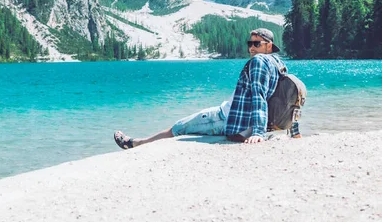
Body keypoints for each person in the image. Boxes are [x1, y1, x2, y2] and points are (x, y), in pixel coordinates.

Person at [114, 28, 301, 150]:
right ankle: (138, 142)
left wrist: (259, 132)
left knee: (179, 127)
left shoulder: (259, 61)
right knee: (181, 127)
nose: (251, 48)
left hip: (225, 118)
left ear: (268, 46)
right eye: (249, 43)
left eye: (256, 44)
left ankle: (136, 143)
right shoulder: (278, 63)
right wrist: (294, 131)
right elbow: (288, 98)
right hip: (240, 119)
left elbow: (258, 95)